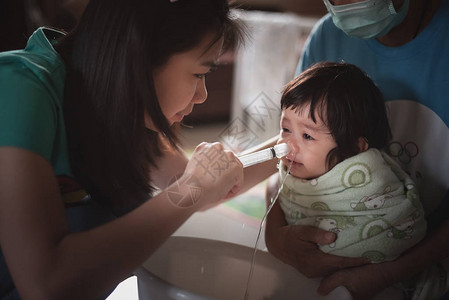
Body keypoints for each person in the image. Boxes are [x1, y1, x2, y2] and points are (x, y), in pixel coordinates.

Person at [0, 1, 279, 299]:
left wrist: (292, 145)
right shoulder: (19, 90)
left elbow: (213, 182)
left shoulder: (118, 109)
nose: (202, 95)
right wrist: (191, 188)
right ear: (139, 58)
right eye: (199, 74)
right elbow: (46, 285)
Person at [265, 0, 449, 299]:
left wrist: (390, 272)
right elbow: (294, 139)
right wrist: (274, 236)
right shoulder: (327, 36)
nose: (345, 5)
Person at [276, 61, 427, 265]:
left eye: (307, 136)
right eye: (285, 129)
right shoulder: (288, 170)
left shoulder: (374, 185)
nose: (287, 145)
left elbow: (401, 230)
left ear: (354, 148)